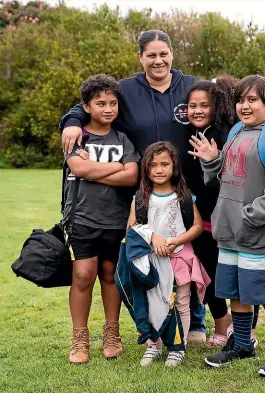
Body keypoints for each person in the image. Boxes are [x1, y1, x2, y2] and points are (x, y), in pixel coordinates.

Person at [59, 29, 207, 344]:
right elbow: (88, 104)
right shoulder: (126, 90)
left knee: (188, 254)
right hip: (140, 196)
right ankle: (154, 326)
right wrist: (71, 122)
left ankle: (195, 323)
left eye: (163, 54)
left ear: (172, 54)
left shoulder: (192, 86)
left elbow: (222, 107)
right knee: (149, 258)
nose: (158, 60)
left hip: (186, 190)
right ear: (140, 57)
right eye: (150, 55)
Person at [189, 75, 265, 379]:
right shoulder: (239, 131)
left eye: (252, 99)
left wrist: (250, 217)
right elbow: (225, 174)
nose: (244, 106)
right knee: (235, 289)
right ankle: (241, 343)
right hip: (230, 232)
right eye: (240, 99)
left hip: (259, 233)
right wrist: (212, 160)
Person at [64, 74, 139, 364]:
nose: (108, 109)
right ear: (86, 106)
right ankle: (79, 338)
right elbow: (79, 170)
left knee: (110, 275)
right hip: (82, 218)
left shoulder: (122, 138)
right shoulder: (75, 135)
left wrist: (94, 167)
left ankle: (112, 333)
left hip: (116, 221)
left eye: (112, 103)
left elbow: (132, 175)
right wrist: (116, 167)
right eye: (100, 103)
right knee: (83, 276)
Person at [184, 77, 261, 346]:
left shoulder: (229, 134)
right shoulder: (186, 134)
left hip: (231, 220)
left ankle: (247, 329)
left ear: (216, 106)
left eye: (205, 105)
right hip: (200, 220)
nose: (197, 110)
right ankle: (221, 321)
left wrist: (212, 161)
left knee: (241, 273)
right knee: (208, 275)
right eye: (192, 105)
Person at [125, 141, 210, 366]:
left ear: (174, 167)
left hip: (179, 256)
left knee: (181, 302)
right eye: (153, 165)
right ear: (146, 168)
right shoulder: (140, 198)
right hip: (151, 260)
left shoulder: (183, 196)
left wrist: (174, 241)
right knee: (153, 302)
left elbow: (197, 227)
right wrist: (154, 239)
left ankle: (177, 347)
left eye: (165, 164)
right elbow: (131, 228)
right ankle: (154, 345)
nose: (159, 169)